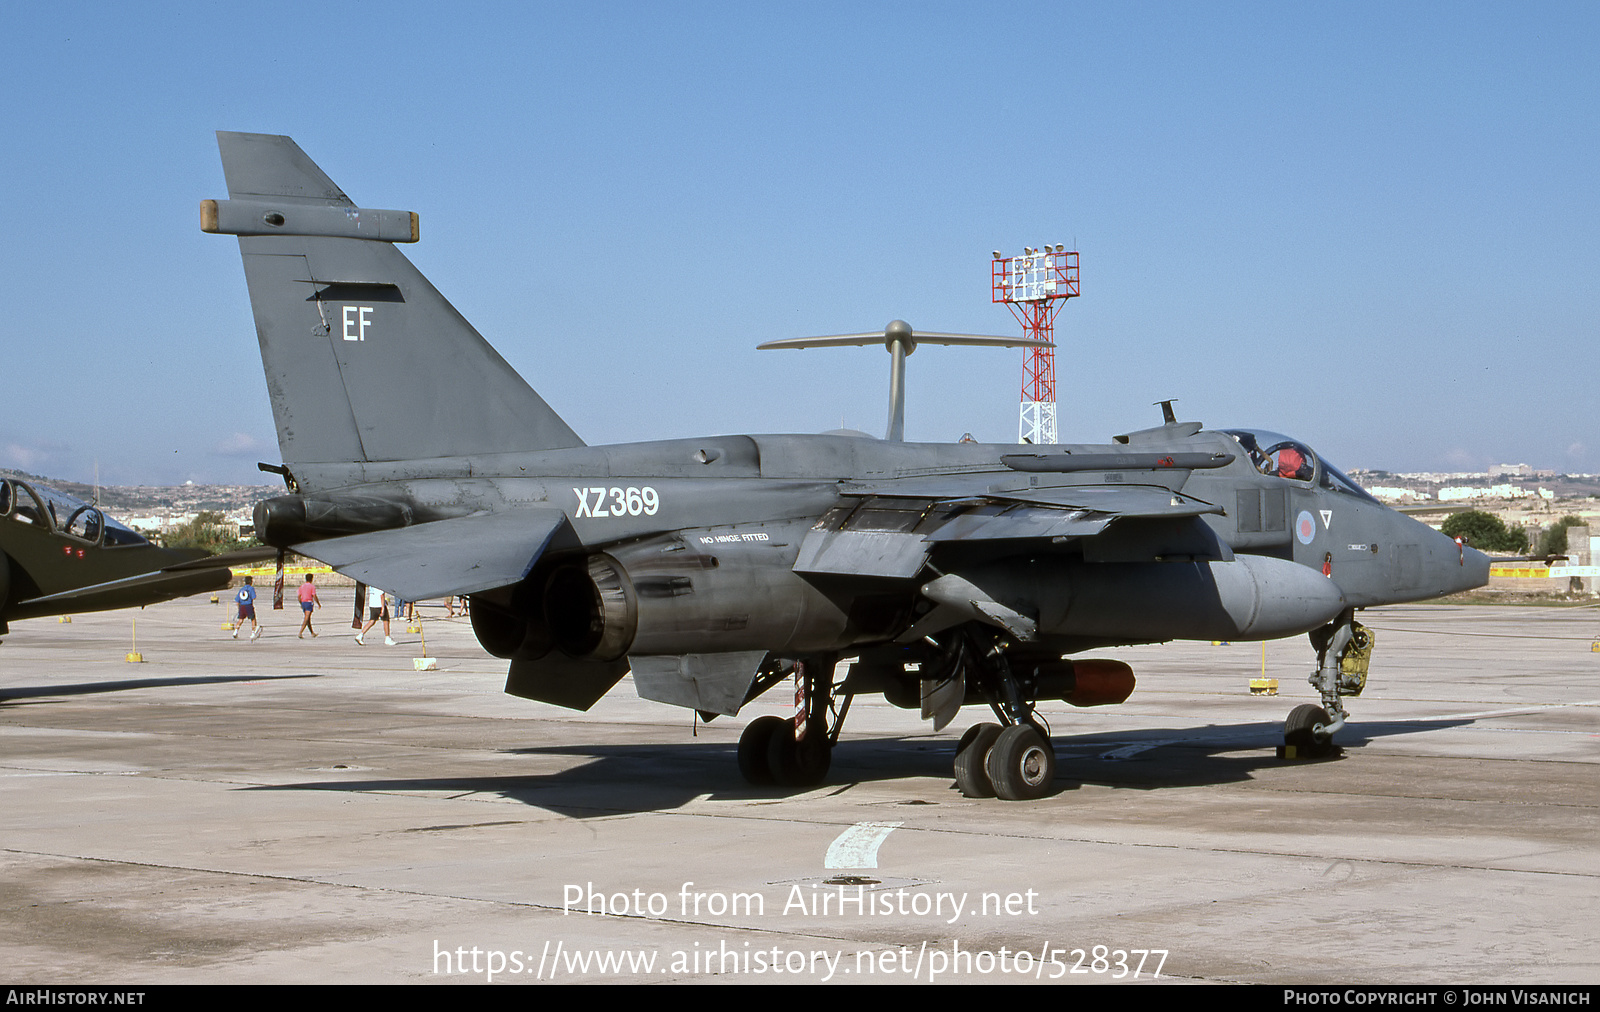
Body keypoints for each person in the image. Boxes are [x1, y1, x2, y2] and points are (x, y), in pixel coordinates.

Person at [233, 576, 260, 640]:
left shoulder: (241, 589)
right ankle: (253, 633)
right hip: (248, 605)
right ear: (251, 582)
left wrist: (239, 608)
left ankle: (235, 631)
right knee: (253, 619)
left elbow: (237, 600)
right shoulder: (251, 589)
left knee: (241, 620)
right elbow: (254, 597)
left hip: (242, 606)